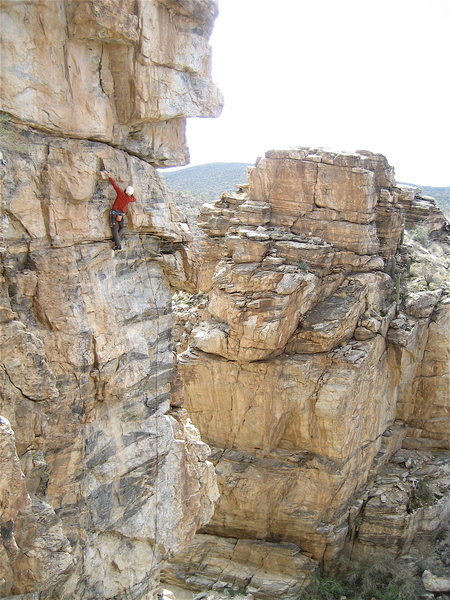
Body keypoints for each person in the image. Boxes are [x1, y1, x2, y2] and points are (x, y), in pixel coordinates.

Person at [101, 171, 136, 250]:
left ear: (125, 190)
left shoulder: (121, 193)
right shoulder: (129, 198)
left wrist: (109, 177)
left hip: (114, 213)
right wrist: (131, 194)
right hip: (121, 214)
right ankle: (117, 239)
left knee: (114, 229)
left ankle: (118, 245)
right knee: (123, 227)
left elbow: (115, 185)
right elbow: (134, 199)